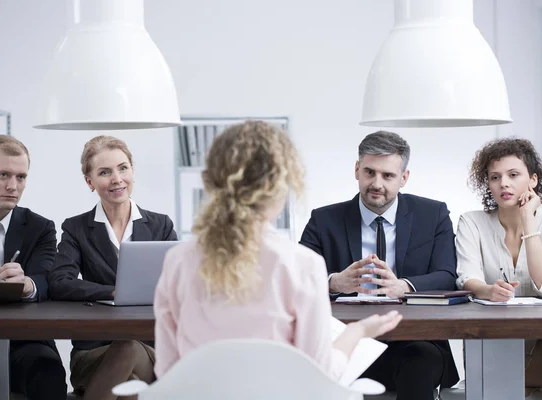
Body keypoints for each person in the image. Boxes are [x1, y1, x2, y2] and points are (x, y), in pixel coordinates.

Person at [154, 121, 402, 381]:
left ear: (212, 181)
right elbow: (319, 377)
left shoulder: (177, 261)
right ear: (282, 186)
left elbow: (168, 373)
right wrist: (357, 332)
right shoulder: (302, 265)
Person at [299, 130, 459, 400]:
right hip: (345, 343)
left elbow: (447, 276)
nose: (376, 183)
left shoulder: (433, 215)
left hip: (416, 341)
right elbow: (296, 279)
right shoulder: (324, 220)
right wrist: (333, 282)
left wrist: (404, 286)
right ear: (357, 170)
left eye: (388, 175)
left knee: (420, 361)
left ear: (404, 178)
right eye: (369, 172)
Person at [48, 135, 177, 400]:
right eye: (104, 172)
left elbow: (180, 282)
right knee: (128, 388)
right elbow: (60, 281)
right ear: (90, 181)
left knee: (127, 347)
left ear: (132, 170)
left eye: (123, 168)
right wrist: (112, 292)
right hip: (93, 351)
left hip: (147, 350)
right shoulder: (76, 228)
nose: (117, 179)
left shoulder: (160, 226)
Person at [0, 135, 66, 400]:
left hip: (21, 338)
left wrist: (27, 284)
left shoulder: (41, 227)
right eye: (4, 174)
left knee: (48, 374)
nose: (13, 186)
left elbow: (46, 280)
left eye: (21, 177)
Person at [456, 137, 542, 397]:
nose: (504, 184)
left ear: (533, 180)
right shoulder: (472, 222)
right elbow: (467, 277)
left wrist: (528, 221)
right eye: (495, 177)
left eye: (513, 175)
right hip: (491, 338)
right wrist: (488, 290)